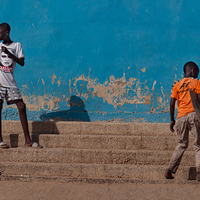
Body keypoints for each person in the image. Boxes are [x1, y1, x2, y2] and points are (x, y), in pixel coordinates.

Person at [0, 23, 42, 148]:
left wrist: (8, 53)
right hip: (0, 80)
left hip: (10, 81)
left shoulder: (16, 45)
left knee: (21, 106)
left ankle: (28, 140)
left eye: (0, 33)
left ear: (6, 32)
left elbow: (22, 62)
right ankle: (0, 140)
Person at [165, 61, 200, 181]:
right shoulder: (197, 82)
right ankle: (199, 172)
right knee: (198, 145)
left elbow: (171, 103)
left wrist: (172, 120)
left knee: (181, 144)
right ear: (192, 71)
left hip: (180, 117)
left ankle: (169, 169)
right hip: (193, 115)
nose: (197, 75)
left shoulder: (176, 85)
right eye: (197, 73)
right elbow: (199, 100)